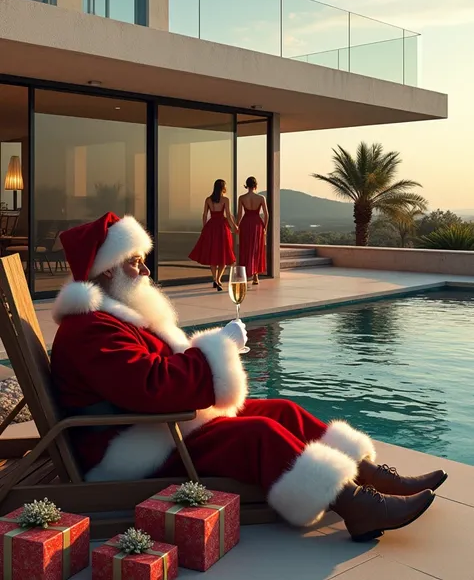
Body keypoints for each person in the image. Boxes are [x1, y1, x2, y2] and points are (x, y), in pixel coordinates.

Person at [50, 212, 447, 543]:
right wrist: (216, 348)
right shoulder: (91, 329)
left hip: (157, 426)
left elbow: (152, 380)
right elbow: (149, 387)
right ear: (106, 270)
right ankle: (357, 506)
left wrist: (209, 354)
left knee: (283, 410)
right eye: (135, 260)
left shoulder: (110, 319)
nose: (146, 269)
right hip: (128, 446)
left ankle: (370, 475)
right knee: (257, 433)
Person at [188, 179, 237, 290]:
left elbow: (205, 214)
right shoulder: (225, 199)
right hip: (222, 227)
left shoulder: (208, 200)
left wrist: (204, 227)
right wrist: (235, 227)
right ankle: (218, 279)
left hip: (211, 227)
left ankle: (215, 279)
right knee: (223, 254)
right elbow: (228, 215)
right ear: (223, 187)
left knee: (213, 255)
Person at [237, 176, 268, 285]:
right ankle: (255, 276)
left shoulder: (241, 198)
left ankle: (244, 275)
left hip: (245, 223)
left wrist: (237, 226)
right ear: (255, 185)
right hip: (257, 224)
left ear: (246, 185)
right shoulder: (261, 198)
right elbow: (266, 215)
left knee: (246, 247)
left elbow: (240, 214)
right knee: (256, 248)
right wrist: (265, 228)